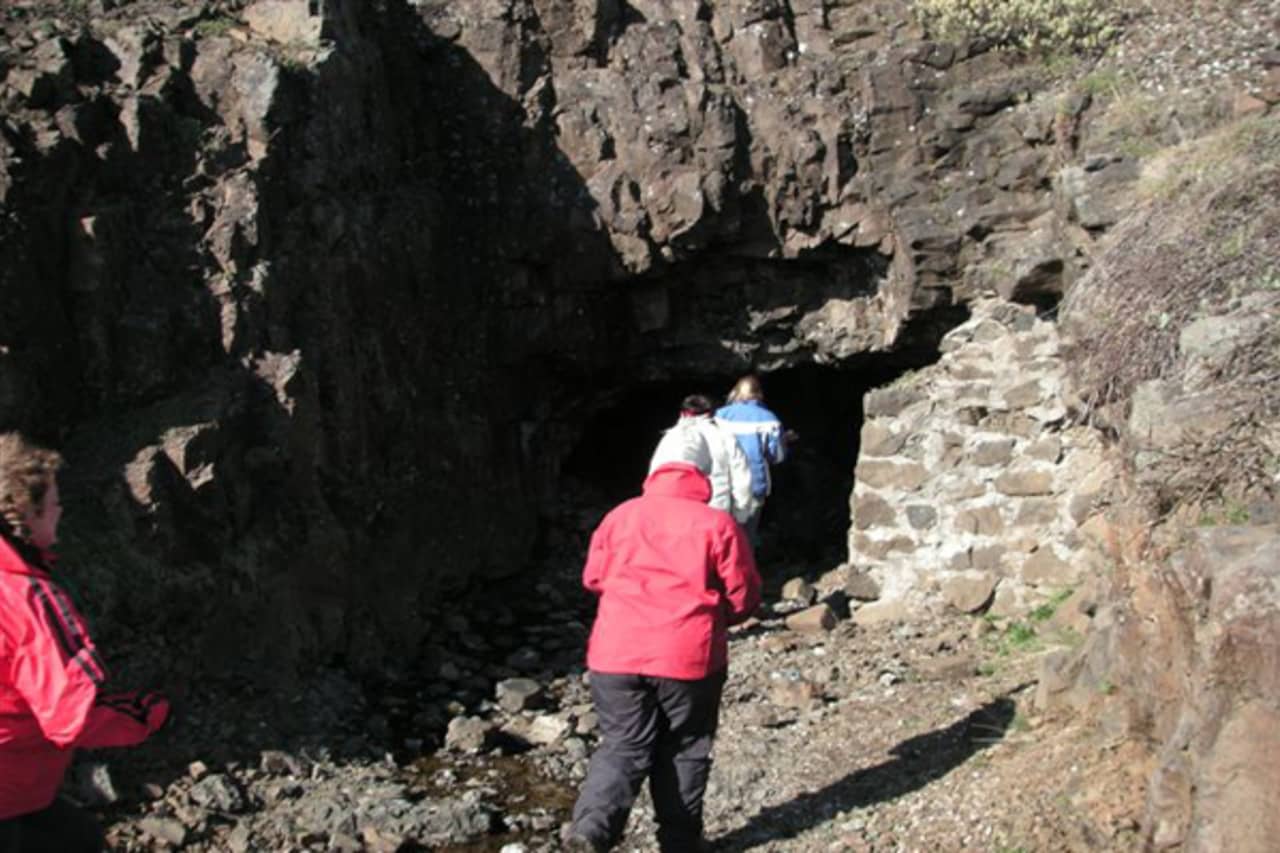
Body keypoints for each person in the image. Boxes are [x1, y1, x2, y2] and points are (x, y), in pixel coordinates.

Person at [567, 462, 761, 852]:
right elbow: (743, 594)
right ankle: (679, 844)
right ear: (701, 487)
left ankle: (591, 830)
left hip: (615, 653)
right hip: (687, 655)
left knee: (622, 744)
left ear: (651, 483)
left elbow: (593, 578)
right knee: (686, 747)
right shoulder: (716, 523)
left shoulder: (619, 516)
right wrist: (722, 617)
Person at [0, 432, 170, 853]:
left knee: (77, 839)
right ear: (24, 514)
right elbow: (71, 715)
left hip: (19, 790)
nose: (60, 511)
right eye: (52, 503)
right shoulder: (29, 599)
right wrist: (150, 716)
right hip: (7, 783)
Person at [648, 394, 757, 526]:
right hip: (716, 515)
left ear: (682, 413)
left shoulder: (670, 437)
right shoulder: (725, 437)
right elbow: (742, 477)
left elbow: (654, 475)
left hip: (672, 514)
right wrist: (741, 514)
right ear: (711, 414)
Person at [715, 375, 792, 542]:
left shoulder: (718, 416)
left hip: (721, 483)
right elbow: (777, 456)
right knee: (745, 538)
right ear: (759, 394)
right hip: (753, 484)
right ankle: (744, 567)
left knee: (720, 536)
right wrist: (784, 440)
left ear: (735, 392)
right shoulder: (769, 420)